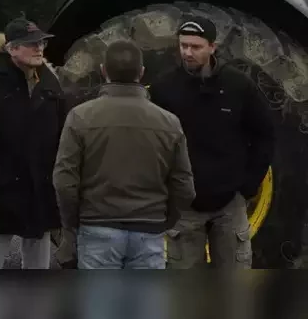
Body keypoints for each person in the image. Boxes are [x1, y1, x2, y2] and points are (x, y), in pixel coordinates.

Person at [52, 39, 195, 269]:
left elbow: (64, 182)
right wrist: (164, 220)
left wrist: (73, 223)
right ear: (142, 72)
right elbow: (185, 186)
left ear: (103, 71)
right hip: (149, 231)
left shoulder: (80, 117)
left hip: (97, 227)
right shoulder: (169, 122)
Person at [150, 17, 275, 268]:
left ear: (212, 47)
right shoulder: (164, 89)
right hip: (183, 208)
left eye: (195, 47)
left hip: (230, 205)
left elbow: (264, 135)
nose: (187, 52)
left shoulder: (238, 86)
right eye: (183, 45)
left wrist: (247, 188)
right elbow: (151, 143)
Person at [0, 19, 67, 269]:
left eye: (41, 42)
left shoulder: (50, 83)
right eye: (31, 44)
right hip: (2, 190)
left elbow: (62, 132)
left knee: (38, 264)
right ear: (11, 49)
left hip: (40, 188)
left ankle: (34, 309)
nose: (39, 48)